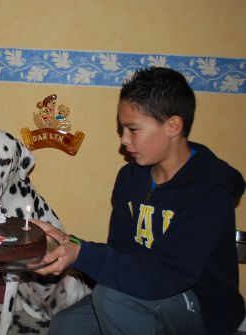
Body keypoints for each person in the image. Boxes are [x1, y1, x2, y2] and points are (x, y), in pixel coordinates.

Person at [34, 67, 245, 335]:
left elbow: (167, 274)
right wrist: (68, 245)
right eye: (123, 129)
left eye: (133, 129)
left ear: (173, 126)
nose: (124, 140)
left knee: (111, 298)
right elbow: (122, 252)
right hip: (149, 288)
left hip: (201, 303)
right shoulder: (131, 178)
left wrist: (81, 254)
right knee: (67, 325)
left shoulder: (209, 191)